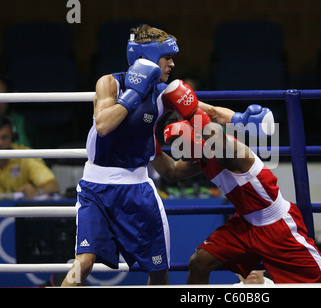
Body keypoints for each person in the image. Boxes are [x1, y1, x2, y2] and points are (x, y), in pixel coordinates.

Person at [60, 24, 271, 286]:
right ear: (146, 59)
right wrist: (133, 95)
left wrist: (242, 119)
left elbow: (212, 113)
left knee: (159, 270)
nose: (172, 64)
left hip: (137, 187)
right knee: (84, 262)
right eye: (167, 58)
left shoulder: (165, 93)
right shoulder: (110, 83)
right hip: (96, 187)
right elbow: (103, 125)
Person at [157, 80, 321, 284]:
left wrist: (188, 109)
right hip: (245, 225)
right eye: (174, 145)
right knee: (199, 262)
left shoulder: (230, 151)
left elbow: (214, 132)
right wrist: (147, 142)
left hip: (276, 226)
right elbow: (171, 171)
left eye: (180, 142)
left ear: (195, 137)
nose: (179, 151)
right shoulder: (200, 157)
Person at [0, 115, 59, 199]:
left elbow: (53, 185)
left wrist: (37, 191)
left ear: (13, 137)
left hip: (19, 210)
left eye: (4, 137)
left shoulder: (25, 155)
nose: (0, 143)